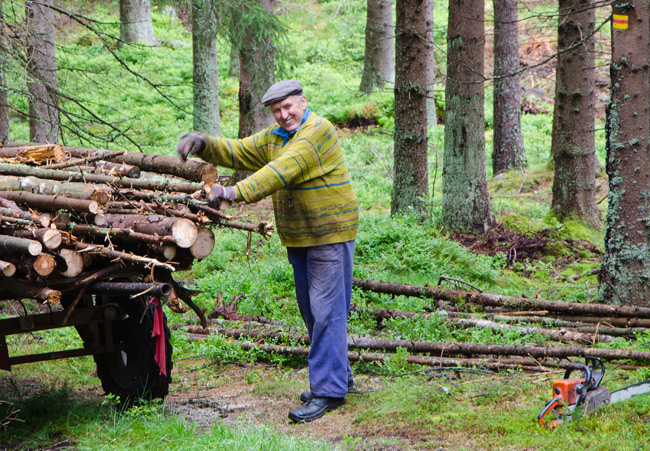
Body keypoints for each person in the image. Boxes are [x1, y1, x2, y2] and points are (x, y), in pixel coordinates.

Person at [176, 79, 359, 423]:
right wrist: (204, 144)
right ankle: (338, 377)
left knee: (326, 311)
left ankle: (329, 392)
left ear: (303, 102)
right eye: (277, 111)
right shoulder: (277, 136)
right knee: (313, 310)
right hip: (301, 234)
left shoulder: (318, 132)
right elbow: (240, 150)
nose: (283, 114)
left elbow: (280, 171)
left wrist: (232, 193)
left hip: (329, 231)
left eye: (288, 106)